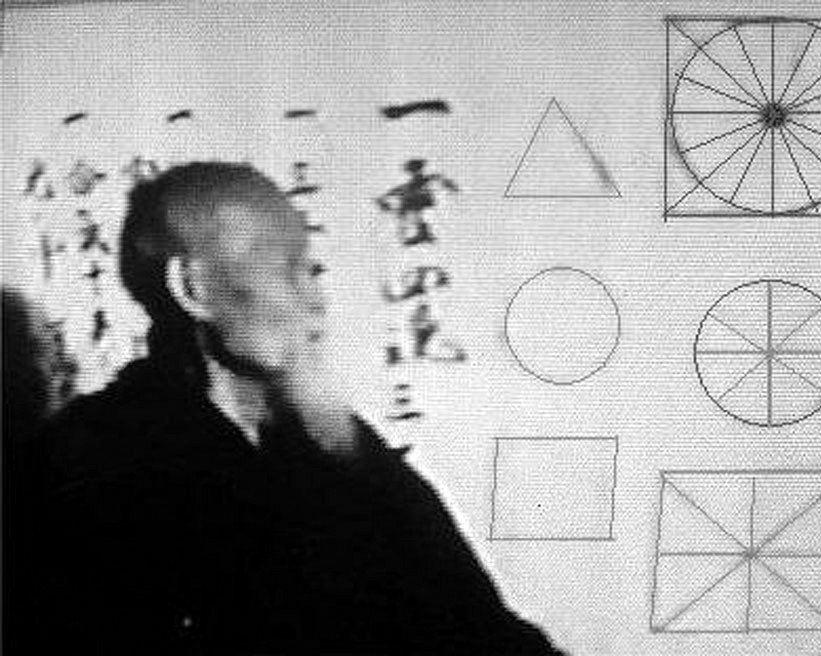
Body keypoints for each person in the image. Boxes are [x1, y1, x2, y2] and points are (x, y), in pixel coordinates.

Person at [20, 162, 563, 655]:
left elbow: (482, 629)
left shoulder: (340, 450)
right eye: (290, 269)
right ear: (193, 288)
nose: (316, 299)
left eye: (313, 270)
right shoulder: (87, 466)